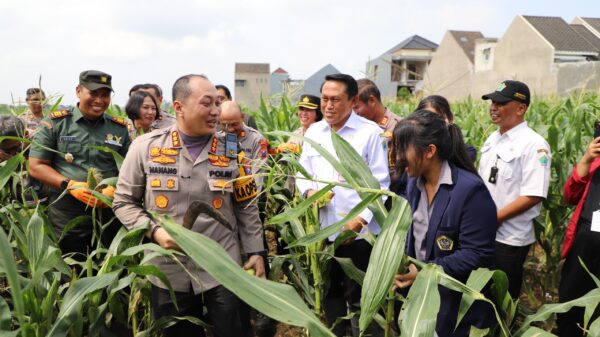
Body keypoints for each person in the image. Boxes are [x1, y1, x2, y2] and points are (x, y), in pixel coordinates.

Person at [113, 74, 265, 337]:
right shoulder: (145, 148)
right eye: (207, 104)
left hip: (223, 266)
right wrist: (155, 231)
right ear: (179, 107)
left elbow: (246, 204)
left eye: (218, 103)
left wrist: (256, 251)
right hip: (168, 268)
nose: (216, 111)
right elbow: (124, 202)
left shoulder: (231, 148)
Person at [296, 73, 390, 337]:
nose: (328, 105)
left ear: (352, 100)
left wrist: (359, 221)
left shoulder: (370, 134)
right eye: (325, 99)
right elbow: (301, 174)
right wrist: (310, 192)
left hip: (359, 235)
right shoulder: (315, 132)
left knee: (362, 298)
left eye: (335, 100)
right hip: (324, 232)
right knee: (331, 293)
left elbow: (381, 185)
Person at [392, 110, 497, 336]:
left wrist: (424, 272)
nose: (396, 157)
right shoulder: (413, 183)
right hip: (419, 296)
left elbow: (476, 253)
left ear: (430, 151)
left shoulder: (470, 191)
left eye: (403, 148)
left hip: (456, 306)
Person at [29, 70, 130, 257]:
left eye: (105, 95)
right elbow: (36, 166)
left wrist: (115, 189)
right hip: (67, 210)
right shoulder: (56, 123)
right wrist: (70, 185)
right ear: (78, 91)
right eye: (93, 93)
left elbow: (130, 169)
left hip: (109, 208)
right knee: (71, 261)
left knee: (110, 261)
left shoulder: (119, 128)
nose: (99, 100)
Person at [478, 80, 551, 299]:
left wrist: (496, 217)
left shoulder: (534, 145)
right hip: (483, 231)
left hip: (509, 239)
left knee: (502, 299)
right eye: (492, 102)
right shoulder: (494, 138)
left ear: (521, 108)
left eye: (500, 103)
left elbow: (534, 194)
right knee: (480, 295)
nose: (493, 107)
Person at [556, 137, 600, 336]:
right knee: (571, 302)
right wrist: (587, 158)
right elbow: (570, 195)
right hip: (584, 244)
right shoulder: (596, 158)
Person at [219, 100, 268, 183]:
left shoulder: (257, 140)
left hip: (248, 192)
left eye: (234, 124)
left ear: (242, 117)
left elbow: (259, 177)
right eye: (225, 125)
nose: (230, 130)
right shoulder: (217, 139)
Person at [416, 95, 477, 161]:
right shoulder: (411, 151)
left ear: (450, 119)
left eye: (438, 117)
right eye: (426, 117)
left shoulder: (467, 153)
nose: (432, 122)